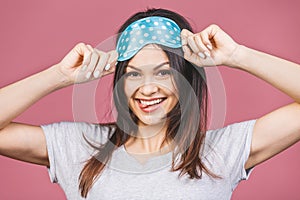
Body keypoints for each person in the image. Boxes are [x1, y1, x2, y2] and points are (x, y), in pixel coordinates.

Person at [0, 8, 299, 200]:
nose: (147, 88)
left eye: (163, 73)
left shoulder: (222, 150)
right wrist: (58, 75)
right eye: (133, 74)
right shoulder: (79, 146)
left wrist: (237, 56)